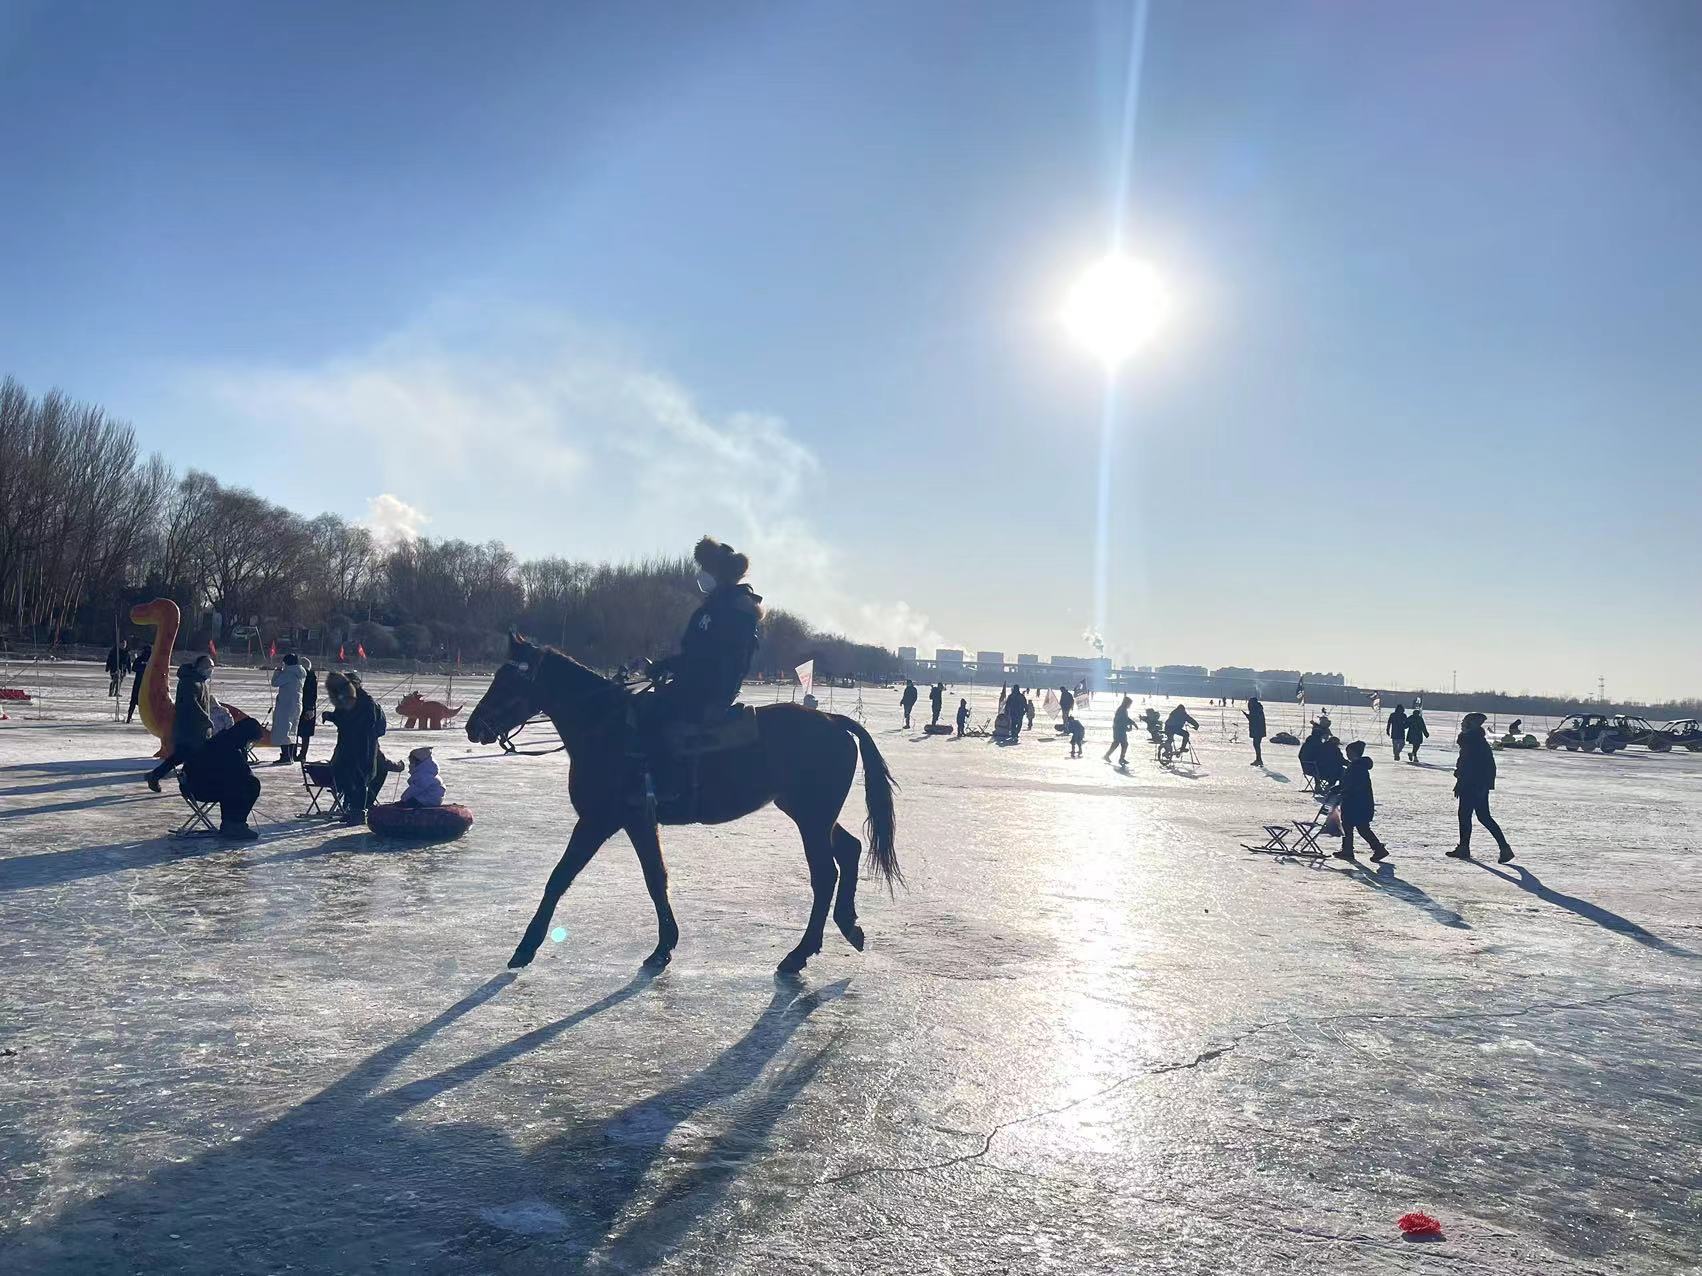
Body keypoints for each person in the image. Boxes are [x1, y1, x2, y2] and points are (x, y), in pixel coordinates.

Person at [182, 717, 264, 840]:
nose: (249, 744)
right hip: (201, 788)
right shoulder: (229, 747)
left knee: (237, 785)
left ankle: (231, 824)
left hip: (194, 785)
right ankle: (235, 825)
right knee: (251, 785)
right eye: (250, 741)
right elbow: (241, 773)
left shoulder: (224, 739)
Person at [1449, 712, 1513, 862]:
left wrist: (1472, 783)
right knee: (1480, 817)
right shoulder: (1471, 741)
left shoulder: (1475, 742)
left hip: (1473, 785)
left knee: (1468, 816)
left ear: (1471, 726)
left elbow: (1482, 766)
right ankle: (1504, 848)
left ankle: (1465, 848)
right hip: (1473, 784)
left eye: (1465, 724)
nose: (1463, 726)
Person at [145, 655, 215, 790]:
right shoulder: (190, 682)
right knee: (189, 757)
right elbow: (192, 705)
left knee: (182, 757)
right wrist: (205, 719)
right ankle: (188, 785)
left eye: (211, 668)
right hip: (189, 730)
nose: (210, 671)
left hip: (195, 730)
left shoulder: (199, 681)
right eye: (207, 667)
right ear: (198, 667)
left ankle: (156, 776)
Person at [324, 669, 383, 825]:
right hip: (345, 745)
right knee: (345, 777)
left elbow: (368, 724)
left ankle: (357, 813)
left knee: (359, 780)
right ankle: (349, 809)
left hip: (362, 747)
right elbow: (341, 718)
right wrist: (330, 716)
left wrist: (346, 723)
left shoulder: (367, 702)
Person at [1333, 740, 1388, 862]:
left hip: (1356, 803)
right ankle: (1350, 849)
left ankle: (1376, 849)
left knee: (1356, 827)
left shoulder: (1357, 767)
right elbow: (1348, 783)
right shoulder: (1357, 766)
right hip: (1358, 802)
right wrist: (1339, 788)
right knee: (1353, 826)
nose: (1347, 754)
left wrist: (1343, 791)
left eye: (1348, 752)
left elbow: (1354, 785)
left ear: (1353, 752)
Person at [268, 653, 308, 765]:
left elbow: (275, 683)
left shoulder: (289, 673)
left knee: (283, 730)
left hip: (286, 705)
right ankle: (290, 756)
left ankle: (285, 756)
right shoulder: (300, 672)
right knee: (292, 731)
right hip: (296, 705)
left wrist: (277, 671)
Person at [296, 657, 319, 761]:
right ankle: (301, 754)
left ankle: (302, 754)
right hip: (306, 707)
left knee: (304, 733)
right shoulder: (309, 676)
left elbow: (311, 694)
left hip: (306, 707)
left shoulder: (309, 677)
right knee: (303, 733)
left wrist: (309, 708)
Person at [1104, 695, 1133, 766]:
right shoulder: (1122, 710)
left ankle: (1108, 756)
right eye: (1129, 704)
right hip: (1119, 730)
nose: (1130, 705)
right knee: (1123, 744)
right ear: (1126, 703)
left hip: (1119, 729)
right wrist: (1127, 728)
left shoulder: (1123, 709)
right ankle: (1120, 758)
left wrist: (1133, 722)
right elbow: (1121, 721)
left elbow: (1126, 719)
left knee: (1117, 743)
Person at [126, 642, 151, 724]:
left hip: (146, 684)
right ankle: (129, 718)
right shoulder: (142, 659)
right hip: (141, 683)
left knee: (144, 703)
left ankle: (130, 718)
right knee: (135, 701)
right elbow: (134, 668)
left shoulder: (151, 660)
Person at [1244, 695, 1266, 767]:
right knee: (1257, 744)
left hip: (1257, 730)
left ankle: (1259, 760)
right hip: (1259, 730)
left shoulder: (1255, 709)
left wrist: (1247, 716)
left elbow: (1254, 719)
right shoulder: (1258, 708)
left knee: (1256, 744)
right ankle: (1258, 759)